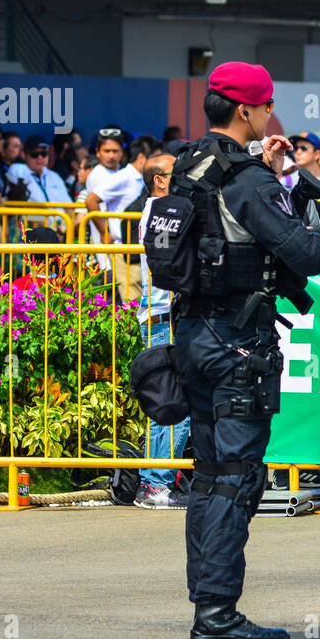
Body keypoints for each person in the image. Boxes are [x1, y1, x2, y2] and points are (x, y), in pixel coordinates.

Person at [162, 61, 320, 639]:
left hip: (192, 337)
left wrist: (271, 170)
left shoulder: (188, 166)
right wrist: (285, 182)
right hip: (239, 343)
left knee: (208, 476)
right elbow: (308, 254)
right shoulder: (251, 181)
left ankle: (206, 602)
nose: (268, 117)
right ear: (246, 111)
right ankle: (217, 614)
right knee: (236, 479)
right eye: (264, 108)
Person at [134, 154, 191, 509]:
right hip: (161, 316)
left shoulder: (166, 210)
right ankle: (155, 483)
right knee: (171, 403)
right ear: (159, 180)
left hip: (168, 314)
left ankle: (161, 480)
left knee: (179, 401)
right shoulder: (160, 213)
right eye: (177, 174)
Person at [5, 133, 73, 205]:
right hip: (30, 216)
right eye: (34, 154)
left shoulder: (54, 176)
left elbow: (68, 206)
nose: (40, 158)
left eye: (44, 153)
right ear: (24, 154)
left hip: (59, 216)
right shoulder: (19, 169)